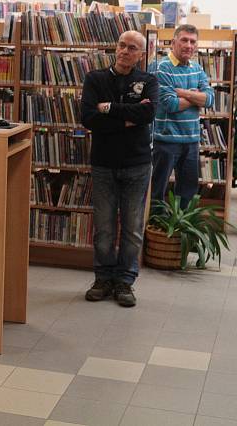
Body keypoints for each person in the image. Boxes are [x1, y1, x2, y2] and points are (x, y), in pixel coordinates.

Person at [81, 30, 158, 308]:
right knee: (103, 227)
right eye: (122, 46)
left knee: (133, 227)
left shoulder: (148, 80)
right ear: (116, 47)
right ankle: (103, 278)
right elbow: (88, 118)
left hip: (137, 165)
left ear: (141, 54)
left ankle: (125, 281)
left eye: (133, 48)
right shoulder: (95, 79)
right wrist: (127, 117)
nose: (126, 51)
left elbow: (148, 114)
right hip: (103, 164)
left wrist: (109, 109)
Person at [151, 24, 214, 210]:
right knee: (158, 190)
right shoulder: (161, 68)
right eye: (184, 40)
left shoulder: (197, 68)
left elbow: (209, 99)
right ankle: (157, 233)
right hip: (166, 140)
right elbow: (170, 104)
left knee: (188, 191)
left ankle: (180, 233)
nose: (188, 45)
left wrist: (181, 93)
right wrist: (196, 96)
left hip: (191, 140)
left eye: (193, 41)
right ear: (173, 42)